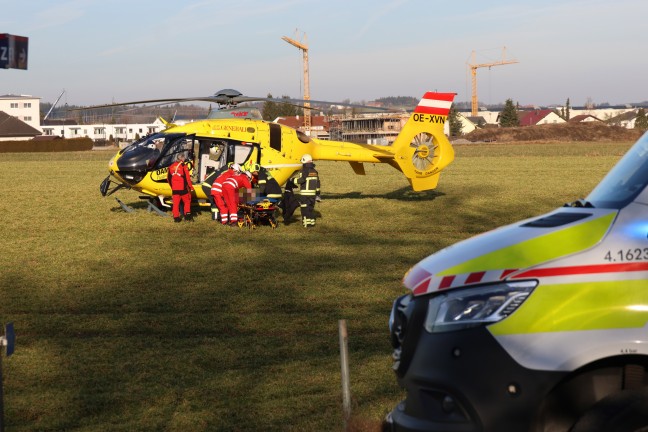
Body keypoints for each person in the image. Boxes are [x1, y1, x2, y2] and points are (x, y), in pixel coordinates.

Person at [284, 154, 320, 228]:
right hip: (313, 195)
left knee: (305, 210)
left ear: (304, 161)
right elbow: (318, 184)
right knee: (310, 209)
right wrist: (317, 194)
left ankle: (306, 225)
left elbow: (301, 180)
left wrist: (292, 180)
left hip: (305, 195)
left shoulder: (304, 171)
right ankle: (312, 223)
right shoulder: (315, 171)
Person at [167, 153, 194, 222]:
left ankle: (176, 218)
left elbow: (168, 178)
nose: (185, 159)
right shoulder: (183, 166)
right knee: (187, 202)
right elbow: (187, 178)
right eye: (184, 158)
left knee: (176, 204)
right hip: (183, 188)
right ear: (182, 158)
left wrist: (172, 186)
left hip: (175, 189)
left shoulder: (171, 166)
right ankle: (187, 217)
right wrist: (191, 187)